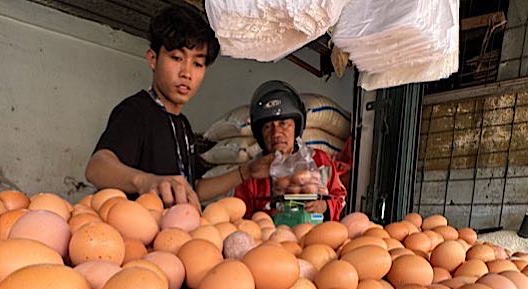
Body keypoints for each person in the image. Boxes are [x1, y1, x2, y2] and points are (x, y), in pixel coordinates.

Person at [85, 5, 220, 208]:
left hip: (173, 235)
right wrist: (146, 181)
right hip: (135, 238)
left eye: (197, 64)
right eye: (177, 58)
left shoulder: (182, 125)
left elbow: (192, 188)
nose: (187, 72)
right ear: (153, 59)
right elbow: (96, 167)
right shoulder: (136, 112)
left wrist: (247, 171)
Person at [196, 81, 348, 219]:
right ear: (260, 135)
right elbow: (241, 214)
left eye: (283, 124)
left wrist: (325, 207)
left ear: (296, 127)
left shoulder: (320, 160)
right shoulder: (254, 172)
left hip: (315, 240)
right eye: (268, 127)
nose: (276, 133)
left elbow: (340, 197)